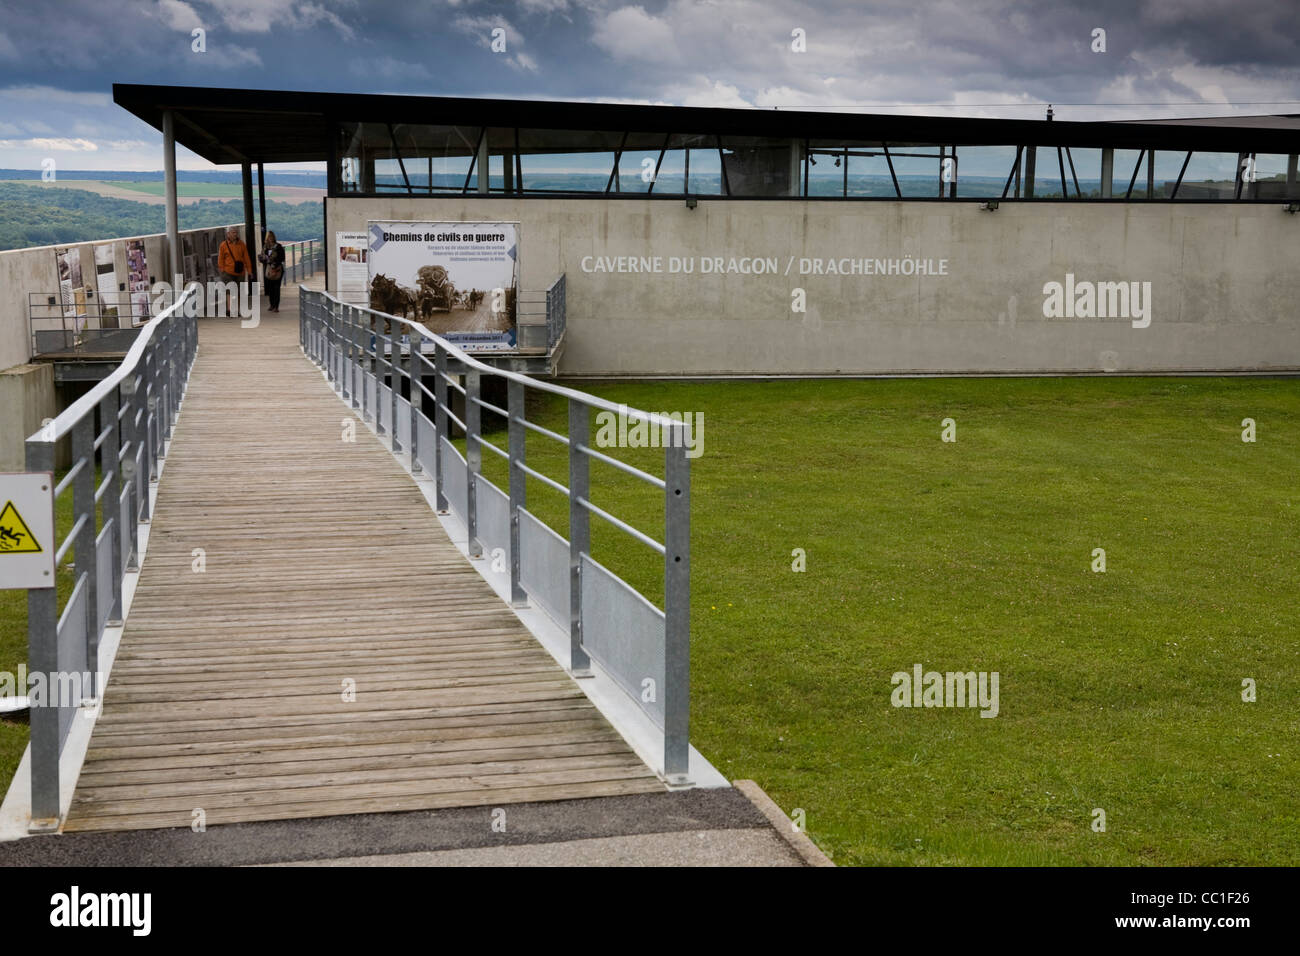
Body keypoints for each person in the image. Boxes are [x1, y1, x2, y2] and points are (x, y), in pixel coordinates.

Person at [217, 227, 254, 316]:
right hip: (227, 272)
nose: (235, 234)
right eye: (233, 232)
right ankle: (229, 309)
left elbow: (246, 258)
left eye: (236, 232)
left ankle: (237, 310)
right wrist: (222, 270)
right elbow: (220, 259)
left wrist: (249, 271)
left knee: (239, 291)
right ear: (228, 234)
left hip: (240, 272)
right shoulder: (223, 245)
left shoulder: (241, 244)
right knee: (229, 290)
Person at [259, 230, 286, 313]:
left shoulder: (279, 247)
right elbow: (262, 258)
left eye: (271, 237)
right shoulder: (265, 247)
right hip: (268, 270)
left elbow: (282, 258)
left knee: (276, 288)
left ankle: (276, 307)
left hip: (277, 269)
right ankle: (271, 305)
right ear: (266, 238)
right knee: (270, 288)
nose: (270, 238)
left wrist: (274, 264)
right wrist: (263, 259)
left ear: (274, 237)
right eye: (269, 237)